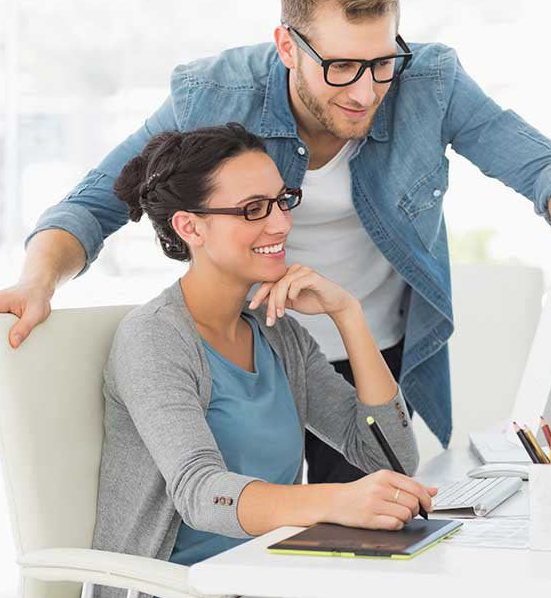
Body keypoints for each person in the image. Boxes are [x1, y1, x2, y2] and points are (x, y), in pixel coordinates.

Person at [0, 0, 551, 483]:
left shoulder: (429, 83)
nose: (365, 92)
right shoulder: (218, 92)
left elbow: (545, 170)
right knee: (244, 541)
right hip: (254, 361)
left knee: (365, 554)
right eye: (342, 66)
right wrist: (35, 280)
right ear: (287, 46)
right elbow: (94, 203)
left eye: (382, 63)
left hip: (368, 357)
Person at [92, 122, 433, 587]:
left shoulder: (280, 336)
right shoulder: (154, 338)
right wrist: (335, 500)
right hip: (177, 588)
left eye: (280, 200)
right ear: (190, 227)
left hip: (269, 578)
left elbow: (387, 456)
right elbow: (199, 491)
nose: (281, 223)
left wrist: (348, 314)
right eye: (254, 209)